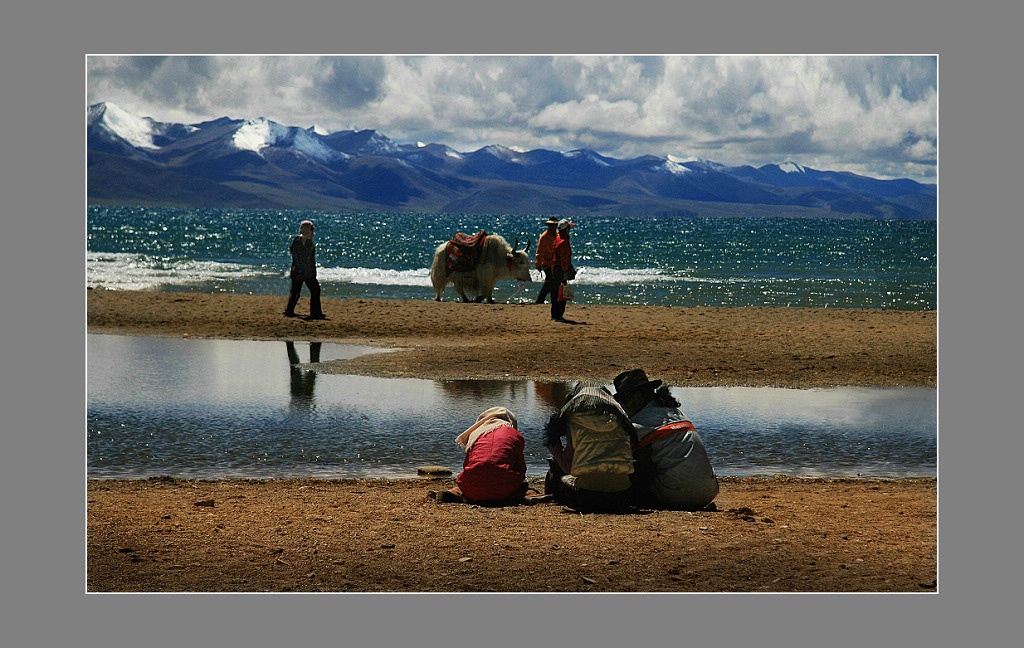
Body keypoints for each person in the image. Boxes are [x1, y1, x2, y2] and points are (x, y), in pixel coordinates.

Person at [612, 369, 719, 510]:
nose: (622, 406)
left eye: (624, 400)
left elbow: (615, 454)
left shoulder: (639, 424)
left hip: (675, 496)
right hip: (709, 492)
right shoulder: (675, 412)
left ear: (638, 396)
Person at [543, 380, 637, 512]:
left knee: (555, 472)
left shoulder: (573, 420)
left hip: (586, 497)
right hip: (622, 496)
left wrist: (557, 452)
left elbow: (567, 468)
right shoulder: (621, 421)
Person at [429, 407, 545, 505]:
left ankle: (453, 494)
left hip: (472, 488)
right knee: (523, 488)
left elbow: (466, 465)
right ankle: (528, 496)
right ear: (511, 421)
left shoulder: (476, 434)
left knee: (464, 486)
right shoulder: (515, 435)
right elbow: (521, 467)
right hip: (503, 488)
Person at [283, 219, 325, 319]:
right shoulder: (306, 241)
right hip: (305, 272)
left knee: (295, 292)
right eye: (311, 229)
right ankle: (315, 313)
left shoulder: (297, 240)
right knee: (314, 290)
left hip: (298, 270)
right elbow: (306, 258)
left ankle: (289, 311)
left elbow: (295, 253)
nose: (313, 231)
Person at [550, 218, 575, 322]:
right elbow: (565, 258)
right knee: (561, 292)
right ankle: (558, 314)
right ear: (566, 229)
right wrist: (565, 271)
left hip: (555, 267)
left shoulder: (557, 239)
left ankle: (554, 314)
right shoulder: (564, 241)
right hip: (561, 268)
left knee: (555, 291)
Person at [534, 216, 559, 304]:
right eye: (551, 225)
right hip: (547, 262)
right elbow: (539, 251)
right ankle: (541, 300)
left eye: (554, 225)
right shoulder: (544, 236)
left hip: (555, 262)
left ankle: (547, 300)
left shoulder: (557, 234)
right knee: (549, 281)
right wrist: (538, 264)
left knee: (552, 282)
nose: (553, 227)